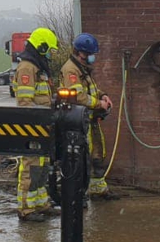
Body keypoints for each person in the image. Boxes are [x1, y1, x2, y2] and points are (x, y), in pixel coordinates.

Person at [60, 33, 115, 199]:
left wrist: (103, 95)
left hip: (90, 120)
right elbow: (78, 96)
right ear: (81, 53)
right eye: (90, 54)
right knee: (82, 158)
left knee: (98, 153)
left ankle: (98, 189)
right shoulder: (71, 70)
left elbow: (90, 90)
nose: (92, 57)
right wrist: (99, 104)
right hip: (78, 122)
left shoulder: (82, 68)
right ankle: (79, 195)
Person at [14, 27, 58, 222]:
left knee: (41, 167)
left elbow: (43, 98)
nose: (50, 53)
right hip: (32, 125)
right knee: (30, 167)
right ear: (41, 46)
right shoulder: (27, 68)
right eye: (49, 49)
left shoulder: (38, 67)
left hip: (42, 126)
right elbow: (25, 102)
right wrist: (38, 120)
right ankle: (26, 209)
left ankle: (40, 203)